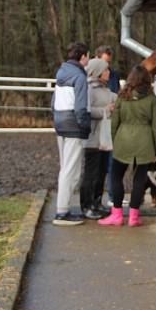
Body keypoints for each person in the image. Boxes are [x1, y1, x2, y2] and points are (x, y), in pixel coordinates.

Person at [97, 65, 156, 227]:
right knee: (139, 180)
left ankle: (117, 215)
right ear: (147, 79)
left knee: (116, 176)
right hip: (145, 142)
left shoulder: (122, 95)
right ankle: (134, 217)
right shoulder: (152, 99)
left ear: (131, 78)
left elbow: (115, 122)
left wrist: (115, 140)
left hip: (123, 140)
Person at [51, 41, 91, 226]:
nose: (88, 60)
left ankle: (62, 207)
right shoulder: (80, 77)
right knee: (71, 170)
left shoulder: (61, 73)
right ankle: (62, 212)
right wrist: (85, 126)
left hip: (60, 122)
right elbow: (81, 106)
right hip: (74, 125)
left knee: (64, 167)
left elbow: (53, 102)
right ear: (82, 56)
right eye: (88, 56)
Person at [79, 58, 117, 219]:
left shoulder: (105, 89)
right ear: (97, 72)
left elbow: (113, 98)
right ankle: (86, 205)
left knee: (101, 172)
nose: (108, 73)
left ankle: (97, 203)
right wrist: (105, 110)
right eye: (106, 70)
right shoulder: (87, 90)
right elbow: (86, 111)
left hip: (104, 140)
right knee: (90, 173)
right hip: (92, 139)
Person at [95, 45, 119, 207]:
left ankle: (111, 197)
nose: (107, 68)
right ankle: (95, 198)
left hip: (110, 124)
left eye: (109, 63)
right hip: (98, 126)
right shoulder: (90, 82)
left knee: (112, 163)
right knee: (97, 165)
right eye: (104, 63)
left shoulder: (113, 75)